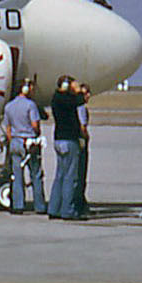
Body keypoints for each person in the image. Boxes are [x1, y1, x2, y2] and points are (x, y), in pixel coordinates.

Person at [1, 79, 45, 213]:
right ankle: (40, 206)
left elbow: (7, 128)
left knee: (17, 175)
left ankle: (18, 205)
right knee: (36, 174)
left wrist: (12, 140)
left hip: (15, 141)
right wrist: (37, 135)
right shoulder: (31, 105)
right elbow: (35, 125)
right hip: (29, 141)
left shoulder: (9, 106)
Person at [48, 76, 85, 220]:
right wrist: (77, 90)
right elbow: (79, 100)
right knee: (70, 176)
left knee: (60, 176)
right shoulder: (65, 100)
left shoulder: (56, 98)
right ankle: (67, 210)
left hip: (59, 140)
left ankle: (54, 208)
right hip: (69, 140)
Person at [74, 81, 92, 218]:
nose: (88, 95)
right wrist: (85, 137)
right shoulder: (80, 108)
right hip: (80, 141)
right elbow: (82, 126)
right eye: (86, 93)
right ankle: (79, 203)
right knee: (80, 173)